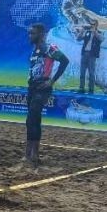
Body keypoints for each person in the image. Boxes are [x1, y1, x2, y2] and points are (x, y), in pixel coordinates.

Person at [24, 23, 69, 164]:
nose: (30, 36)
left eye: (33, 33)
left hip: (42, 87)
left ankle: (34, 154)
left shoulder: (47, 48)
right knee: (30, 121)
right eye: (29, 33)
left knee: (33, 119)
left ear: (41, 35)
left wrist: (52, 81)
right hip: (32, 87)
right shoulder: (35, 49)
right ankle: (29, 153)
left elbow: (64, 60)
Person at [77, 20, 102, 93]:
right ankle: (81, 88)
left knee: (91, 72)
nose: (91, 25)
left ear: (96, 25)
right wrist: (81, 31)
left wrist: (95, 32)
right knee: (82, 72)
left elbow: (102, 39)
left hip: (92, 55)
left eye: (93, 24)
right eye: (90, 24)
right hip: (84, 53)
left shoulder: (99, 32)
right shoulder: (87, 32)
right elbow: (78, 39)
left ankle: (91, 89)